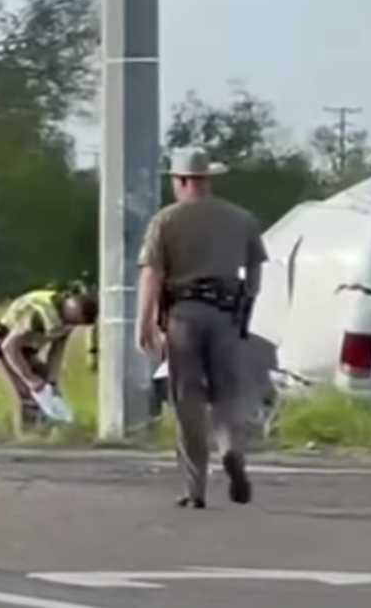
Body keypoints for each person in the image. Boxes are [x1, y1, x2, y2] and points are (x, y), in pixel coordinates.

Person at [136, 147, 268, 509]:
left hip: (184, 316)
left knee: (188, 400)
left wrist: (144, 322)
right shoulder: (241, 219)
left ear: (180, 181)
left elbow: (152, 273)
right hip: (226, 315)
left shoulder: (165, 220)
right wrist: (246, 305)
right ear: (208, 179)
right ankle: (231, 450)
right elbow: (255, 270)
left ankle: (194, 489)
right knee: (228, 395)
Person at [0, 287, 97, 434]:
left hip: (27, 351)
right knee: (25, 394)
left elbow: (56, 350)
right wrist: (30, 379)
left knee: (49, 391)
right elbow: (9, 346)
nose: (72, 325)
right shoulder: (41, 314)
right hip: (3, 350)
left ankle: (46, 433)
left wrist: (52, 380)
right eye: (73, 321)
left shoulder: (69, 320)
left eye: (77, 323)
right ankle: (26, 439)